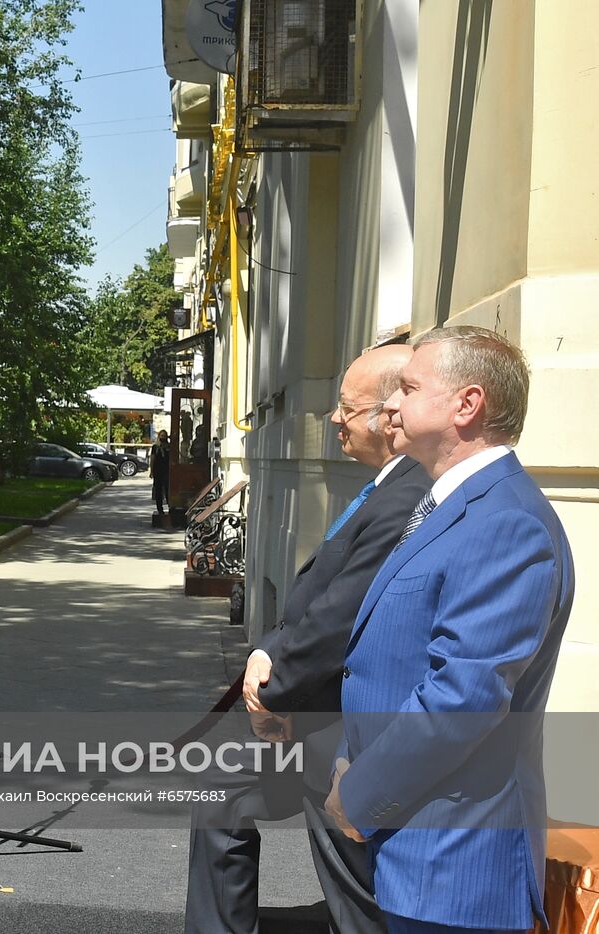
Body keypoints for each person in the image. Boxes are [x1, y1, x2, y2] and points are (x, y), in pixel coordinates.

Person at [327, 327, 574, 933]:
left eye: (409, 388)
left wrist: (359, 795)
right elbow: (386, 657)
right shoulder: (447, 503)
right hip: (416, 848)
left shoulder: (505, 523)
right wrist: (346, 761)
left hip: (455, 867)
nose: (391, 404)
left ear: (467, 405)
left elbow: (462, 697)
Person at [185, 344, 429, 934]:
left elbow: (342, 617)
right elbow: (315, 596)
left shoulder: (409, 495)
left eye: (348, 406)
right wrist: (267, 649)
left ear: (390, 414)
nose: (335, 419)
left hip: (338, 725)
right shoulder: (384, 486)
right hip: (313, 706)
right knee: (220, 793)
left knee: (355, 896)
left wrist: (276, 694)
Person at [150, 429, 171, 515]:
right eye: (161, 436)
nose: (163, 437)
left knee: (167, 489)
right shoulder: (155, 447)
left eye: (164, 436)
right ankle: (160, 509)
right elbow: (152, 459)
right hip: (158, 470)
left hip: (167, 471)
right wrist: (151, 471)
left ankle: (170, 507)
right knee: (158, 490)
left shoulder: (169, 447)